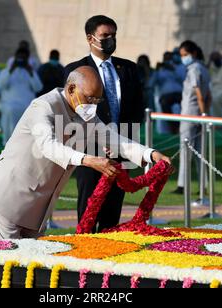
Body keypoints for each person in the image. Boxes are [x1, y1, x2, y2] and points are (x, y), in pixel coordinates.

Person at [0, 66, 172, 240]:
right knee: (7, 266)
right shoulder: (44, 106)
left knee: (31, 267)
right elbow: (48, 146)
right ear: (71, 89)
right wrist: (87, 160)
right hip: (9, 197)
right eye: (89, 98)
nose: (93, 105)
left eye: (98, 99)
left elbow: (113, 139)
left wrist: (150, 154)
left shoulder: (87, 115)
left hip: (38, 206)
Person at [64, 15, 145, 232]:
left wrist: (124, 142)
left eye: (113, 35)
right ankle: (83, 258)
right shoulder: (75, 70)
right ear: (91, 38)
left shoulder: (128, 69)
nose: (110, 39)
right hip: (90, 151)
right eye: (105, 35)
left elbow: (138, 107)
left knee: (112, 211)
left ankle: (108, 257)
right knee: (88, 210)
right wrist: (100, 139)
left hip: (122, 148)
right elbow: (73, 111)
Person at [174, 40, 211, 195]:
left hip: (190, 114)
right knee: (200, 152)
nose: (184, 58)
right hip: (198, 114)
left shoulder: (194, 69)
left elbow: (200, 95)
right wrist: (206, 113)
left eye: (185, 55)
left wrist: (202, 114)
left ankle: (183, 185)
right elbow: (209, 95)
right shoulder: (204, 68)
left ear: (193, 53)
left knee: (185, 150)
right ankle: (203, 185)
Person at [0, 47, 43, 145]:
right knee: (11, 109)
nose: (21, 61)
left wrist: (30, 72)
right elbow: (0, 85)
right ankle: (8, 142)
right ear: (15, 58)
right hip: (9, 103)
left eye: (23, 59)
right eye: (19, 58)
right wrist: (11, 70)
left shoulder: (31, 72)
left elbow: (38, 88)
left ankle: (23, 143)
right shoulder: (6, 71)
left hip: (26, 103)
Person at [150, 52, 183, 134]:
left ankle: (181, 126)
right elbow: (151, 83)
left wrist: (173, 70)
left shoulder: (178, 68)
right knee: (164, 103)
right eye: (166, 58)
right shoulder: (160, 71)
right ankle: (174, 126)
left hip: (179, 93)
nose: (167, 60)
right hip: (166, 95)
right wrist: (156, 71)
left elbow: (183, 80)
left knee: (186, 103)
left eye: (169, 58)